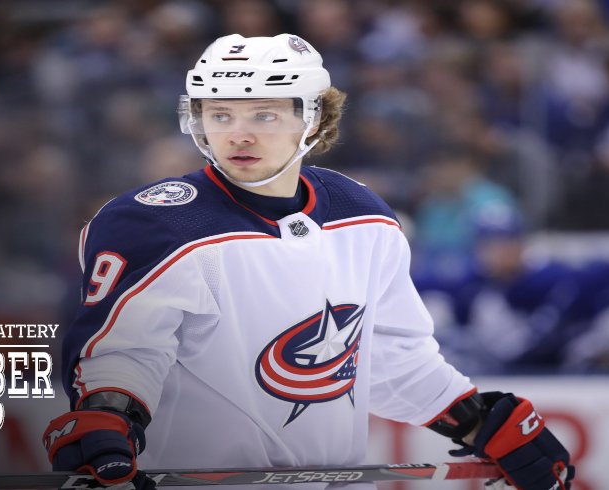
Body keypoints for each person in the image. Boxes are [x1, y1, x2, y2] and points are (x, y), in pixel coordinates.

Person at [42, 34, 574, 490]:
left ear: (315, 120)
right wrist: (107, 415)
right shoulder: (153, 222)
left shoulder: (363, 215)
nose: (238, 134)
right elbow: (127, 352)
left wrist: (479, 422)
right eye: (219, 113)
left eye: (265, 114)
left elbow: (387, 356)